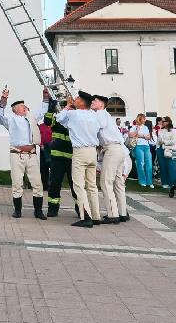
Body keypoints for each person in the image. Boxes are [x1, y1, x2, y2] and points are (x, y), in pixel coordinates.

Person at [56, 92, 102, 228]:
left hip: (80, 152)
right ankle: (96, 216)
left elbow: (59, 118)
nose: (74, 100)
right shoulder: (94, 116)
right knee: (92, 185)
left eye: (77, 99)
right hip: (92, 151)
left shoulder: (73, 114)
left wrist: (68, 105)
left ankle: (85, 216)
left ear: (82, 102)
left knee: (79, 185)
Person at [0, 87, 44, 219]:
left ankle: (38, 211)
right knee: (17, 183)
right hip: (17, 155)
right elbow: (0, 115)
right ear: (15, 109)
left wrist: (45, 97)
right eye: (22, 106)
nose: (25, 108)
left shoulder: (31, 118)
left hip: (32, 155)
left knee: (37, 183)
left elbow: (42, 111)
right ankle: (17, 210)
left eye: (25, 106)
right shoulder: (11, 120)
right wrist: (4, 99)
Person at [92, 93, 128, 224]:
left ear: (101, 104)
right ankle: (123, 212)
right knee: (118, 183)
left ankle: (113, 214)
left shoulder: (100, 114)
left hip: (111, 149)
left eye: (94, 101)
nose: (92, 103)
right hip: (119, 149)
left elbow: (96, 127)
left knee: (106, 182)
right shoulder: (106, 114)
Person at [41, 89, 75, 218]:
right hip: (58, 156)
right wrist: (50, 109)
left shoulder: (76, 118)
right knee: (54, 183)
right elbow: (47, 122)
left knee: (75, 185)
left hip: (73, 157)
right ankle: (53, 208)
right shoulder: (59, 118)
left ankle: (79, 208)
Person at [132, 115, 154, 188]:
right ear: (140, 119)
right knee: (140, 163)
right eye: (144, 119)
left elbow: (148, 137)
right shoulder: (134, 127)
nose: (145, 120)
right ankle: (142, 181)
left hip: (146, 146)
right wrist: (140, 134)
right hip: (138, 146)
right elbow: (132, 134)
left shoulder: (146, 127)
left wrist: (140, 135)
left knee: (149, 163)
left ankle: (149, 181)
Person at [157, 117, 176, 190]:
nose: (163, 123)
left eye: (164, 121)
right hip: (161, 149)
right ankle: (165, 182)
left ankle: (174, 183)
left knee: (172, 166)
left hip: (170, 150)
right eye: (162, 121)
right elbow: (159, 140)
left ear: (168, 122)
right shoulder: (160, 130)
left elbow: (173, 141)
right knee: (163, 166)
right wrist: (165, 141)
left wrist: (164, 142)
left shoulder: (173, 131)